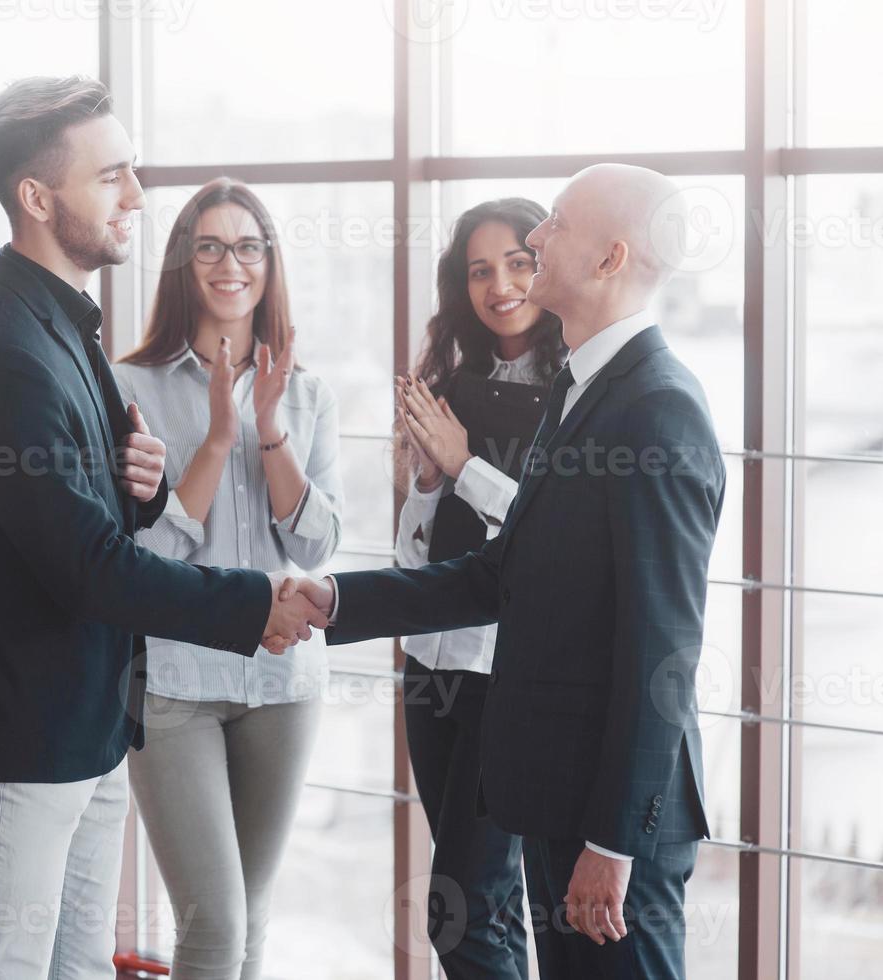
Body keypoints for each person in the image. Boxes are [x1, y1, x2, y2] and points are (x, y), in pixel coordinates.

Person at [0, 77, 326, 980]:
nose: (137, 197)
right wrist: (252, 601)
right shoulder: (5, 350)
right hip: (24, 734)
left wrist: (135, 488)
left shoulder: (65, 328)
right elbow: (89, 566)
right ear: (36, 197)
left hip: (88, 724)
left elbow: (88, 517)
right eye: (112, 176)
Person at [284, 164, 726, 980]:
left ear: (609, 258)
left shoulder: (657, 407)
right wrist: (337, 598)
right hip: (561, 797)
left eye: (554, 225)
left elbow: (663, 650)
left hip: (611, 823)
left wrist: (612, 839)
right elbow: (499, 574)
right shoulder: (581, 390)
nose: (534, 239)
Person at [112, 177, 343, 980]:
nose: (229, 263)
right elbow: (146, 568)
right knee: (213, 924)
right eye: (207, 245)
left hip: (282, 683)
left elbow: (312, 547)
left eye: (247, 246)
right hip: (175, 685)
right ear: (183, 261)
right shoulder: (128, 387)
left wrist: (269, 429)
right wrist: (217, 440)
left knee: (253, 920)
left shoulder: (307, 392)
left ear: (269, 263)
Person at [393, 197, 565, 979]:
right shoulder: (450, 385)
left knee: (454, 915)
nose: (500, 286)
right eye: (480, 271)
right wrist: (429, 482)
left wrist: (466, 466)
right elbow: (415, 558)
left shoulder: (579, 390)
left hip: (508, 676)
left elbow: (552, 544)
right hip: (433, 665)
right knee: (482, 911)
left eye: (518, 263)